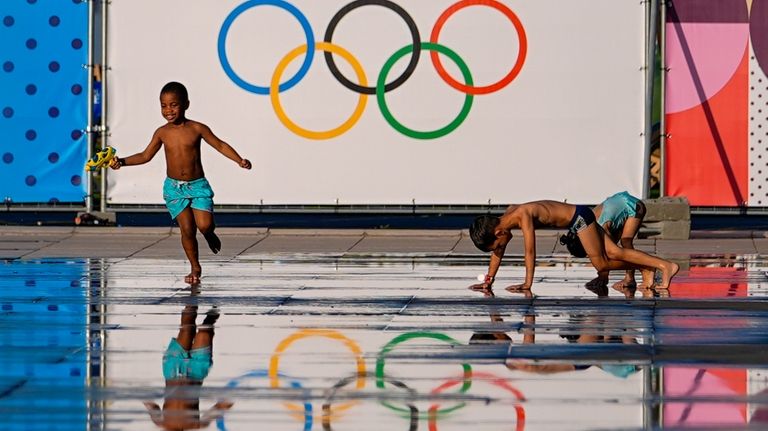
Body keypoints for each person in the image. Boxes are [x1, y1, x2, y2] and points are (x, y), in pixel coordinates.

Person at [109, 82, 252, 283]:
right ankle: (195, 268)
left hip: (197, 186)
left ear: (186, 104)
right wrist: (121, 162)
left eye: (174, 105)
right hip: (174, 188)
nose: (168, 110)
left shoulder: (197, 128)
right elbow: (145, 155)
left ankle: (209, 233)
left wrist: (239, 160)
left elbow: (219, 144)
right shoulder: (162, 132)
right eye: (164, 106)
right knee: (187, 230)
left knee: (204, 225)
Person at [468, 200, 679, 294]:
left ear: (499, 233)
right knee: (615, 252)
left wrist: (527, 283)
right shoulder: (508, 216)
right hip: (580, 214)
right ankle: (648, 267)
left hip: (579, 217)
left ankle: (664, 266)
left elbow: (530, 251)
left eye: (496, 245)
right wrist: (489, 280)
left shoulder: (522, 215)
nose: (499, 250)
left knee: (602, 264)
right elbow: (498, 252)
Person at [143, 301, 234, 430]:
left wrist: (141, 397)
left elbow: (152, 406)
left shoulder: (161, 423)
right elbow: (216, 410)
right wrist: (225, 405)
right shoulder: (195, 425)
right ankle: (210, 319)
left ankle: (193, 292)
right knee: (204, 331)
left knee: (186, 329)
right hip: (196, 372)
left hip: (173, 370)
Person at [562, 191, 652, 295]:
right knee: (614, 245)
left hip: (634, 206)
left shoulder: (600, 227)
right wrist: (603, 276)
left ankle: (632, 277)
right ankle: (631, 274)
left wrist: (603, 276)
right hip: (620, 204)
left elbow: (606, 252)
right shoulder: (584, 225)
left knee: (626, 241)